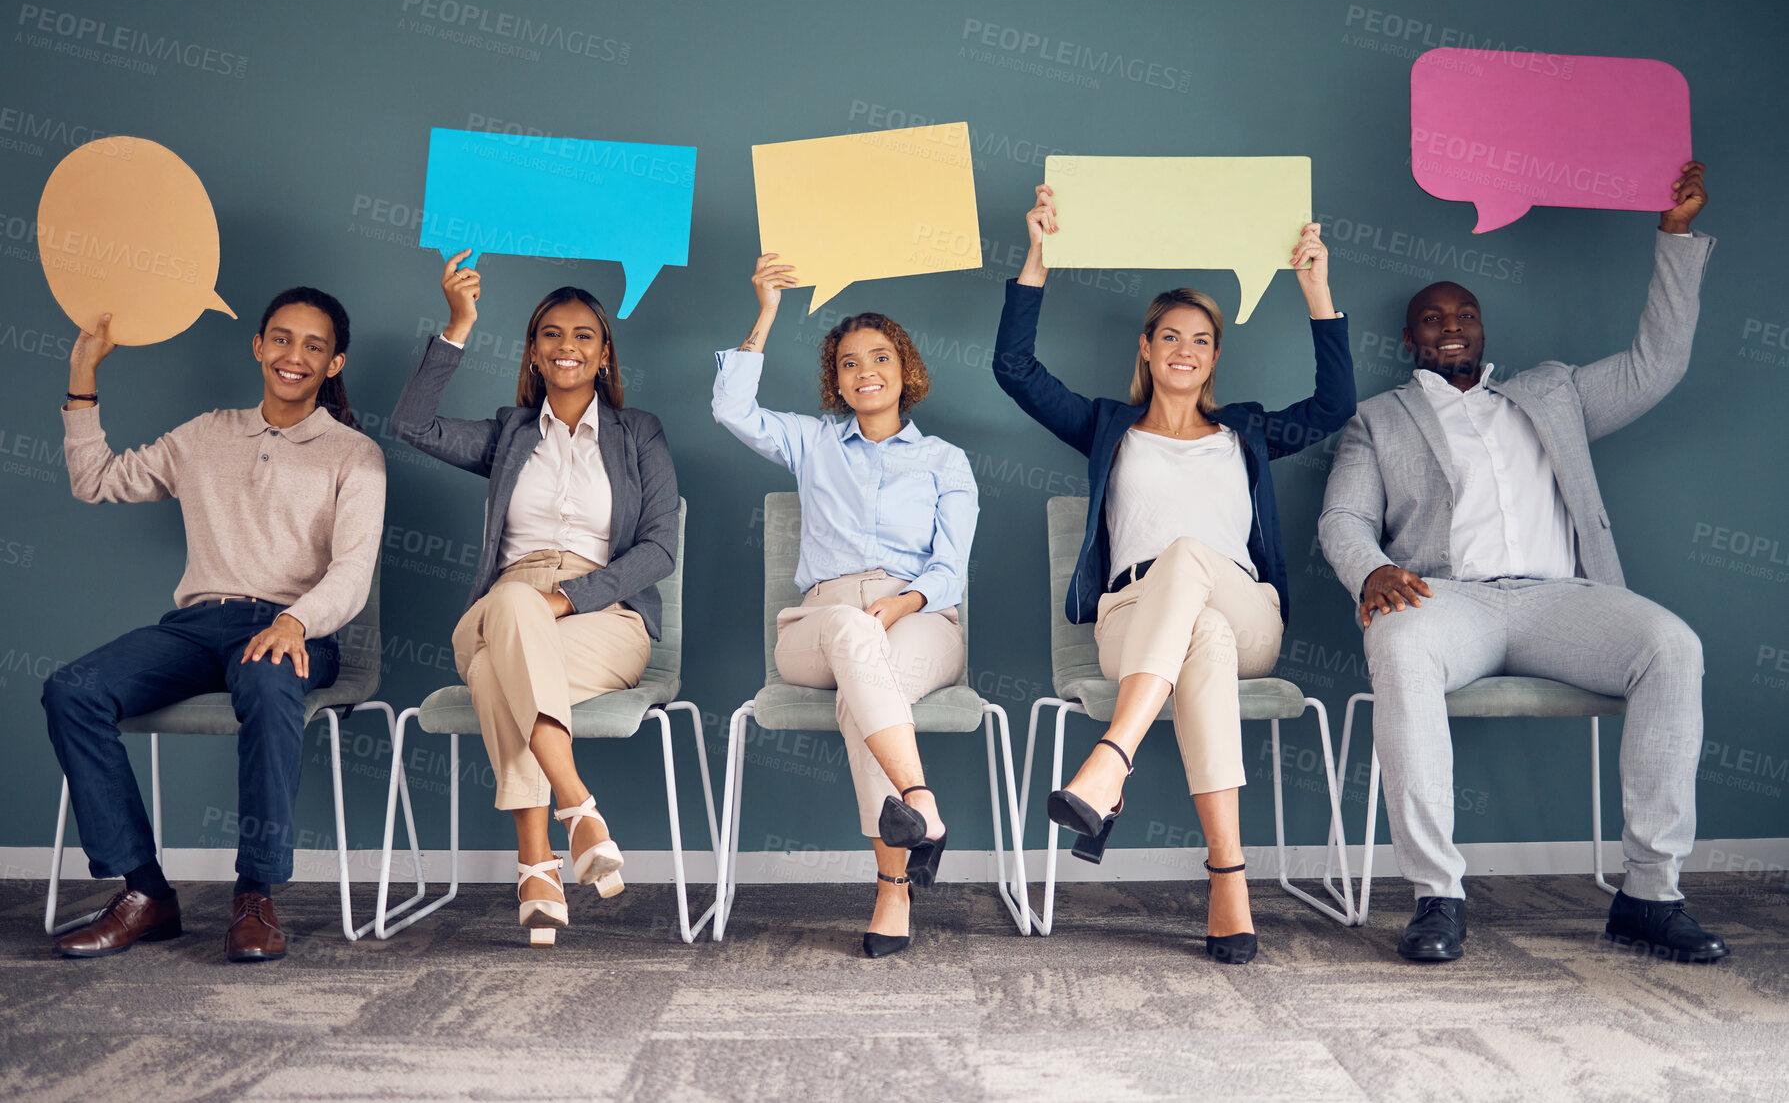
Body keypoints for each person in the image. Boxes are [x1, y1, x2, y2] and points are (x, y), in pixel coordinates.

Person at [1318, 162, 1728, 965]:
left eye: (1463, 313)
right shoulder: (1380, 420)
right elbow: (1342, 517)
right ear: (1408, 339)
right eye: (1430, 317)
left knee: (1672, 646)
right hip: (1449, 601)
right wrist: (1369, 571)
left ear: (1481, 329)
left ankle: (1647, 896)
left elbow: (1658, 363)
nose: (1449, 325)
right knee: (1397, 644)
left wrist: (1673, 237)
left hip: (1559, 602)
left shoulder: (1554, 394)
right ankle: (1437, 895)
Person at [994, 185, 1355, 963]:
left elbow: (1334, 404)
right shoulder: (1106, 430)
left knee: (1194, 560)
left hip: (1249, 606)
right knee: (1206, 642)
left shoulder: (1246, 433)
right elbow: (1014, 368)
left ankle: (1108, 759)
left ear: (1214, 355)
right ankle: (1228, 877)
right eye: (1168, 336)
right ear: (1147, 350)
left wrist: (1315, 289)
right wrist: (1036, 257)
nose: (1184, 348)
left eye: (1200, 338)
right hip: (1132, 622)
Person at [43, 289, 385, 963]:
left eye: (314, 346)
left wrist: (294, 622)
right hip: (197, 626)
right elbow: (96, 480)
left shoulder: (354, 455)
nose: (295, 356)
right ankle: (145, 893)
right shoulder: (205, 434)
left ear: (334, 362)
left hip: (296, 630)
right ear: (258, 347)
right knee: (73, 690)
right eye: (282, 339)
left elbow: (351, 572)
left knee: (265, 681)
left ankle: (253, 894)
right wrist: (84, 376)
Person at [393, 252, 678, 948]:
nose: (567, 347)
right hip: (498, 608)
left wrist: (567, 598)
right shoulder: (510, 433)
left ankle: (536, 862)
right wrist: (459, 324)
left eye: (583, 335)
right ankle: (577, 805)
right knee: (511, 605)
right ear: (532, 349)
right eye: (551, 333)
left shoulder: (638, 433)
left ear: (605, 352)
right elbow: (412, 424)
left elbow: (658, 551)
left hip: (600, 620)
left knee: (498, 669)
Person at [712, 254, 979, 959]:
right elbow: (730, 409)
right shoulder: (811, 441)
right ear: (834, 380)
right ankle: (919, 800)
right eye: (849, 361)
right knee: (848, 632)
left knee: (868, 685)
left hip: (922, 619)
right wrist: (767, 309)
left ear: (904, 369)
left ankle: (894, 886)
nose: (866, 369)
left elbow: (951, 566)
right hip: (817, 627)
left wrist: (902, 605)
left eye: (880, 356)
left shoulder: (945, 461)